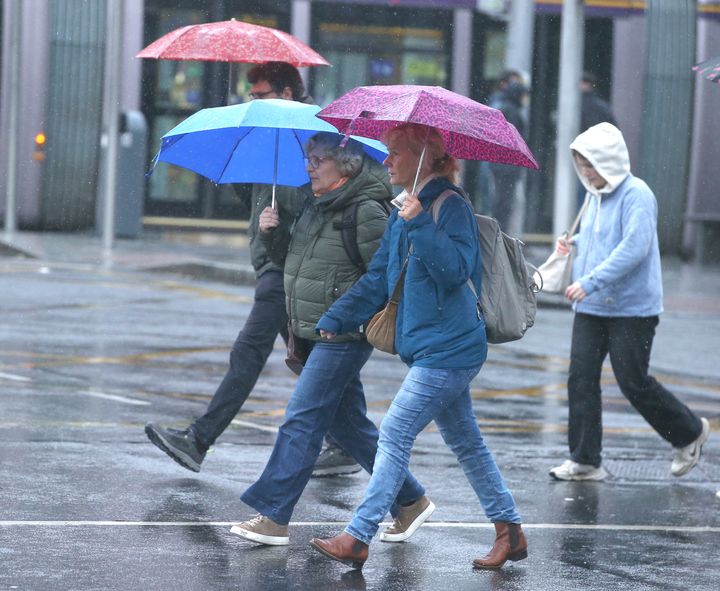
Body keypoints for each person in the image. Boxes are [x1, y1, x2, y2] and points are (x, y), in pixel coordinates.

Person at [309, 123, 526, 571]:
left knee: (394, 432)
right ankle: (511, 532)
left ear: (423, 156)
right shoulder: (402, 209)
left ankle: (358, 535)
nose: (385, 161)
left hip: (453, 348)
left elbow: (454, 270)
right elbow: (378, 278)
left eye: (393, 153)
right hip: (429, 347)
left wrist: (420, 223)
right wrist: (336, 318)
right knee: (467, 442)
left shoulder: (450, 206)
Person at [144, 62, 360, 477]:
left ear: (285, 93)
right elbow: (258, 200)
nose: (253, 101)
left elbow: (319, 211)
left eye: (260, 94)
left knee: (250, 351)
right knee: (315, 359)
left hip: (290, 267)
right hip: (275, 263)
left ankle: (198, 439)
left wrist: (281, 229)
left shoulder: (313, 138)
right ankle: (346, 444)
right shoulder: (268, 137)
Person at [230, 132, 434, 546]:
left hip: (344, 333)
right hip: (314, 329)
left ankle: (273, 514)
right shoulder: (314, 205)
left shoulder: (365, 212)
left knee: (301, 419)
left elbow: (383, 275)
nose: (309, 166)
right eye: (309, 157)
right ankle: (410, 500)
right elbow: (297, 262)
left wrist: (344, 312)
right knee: (351, 427)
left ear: (346, 165)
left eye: (318, 159)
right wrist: (271, 233)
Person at [549, 122, 710, 482]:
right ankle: (585, 460)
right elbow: (600, 240)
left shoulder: (638, 194)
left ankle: (689, 432)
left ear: (610, 162)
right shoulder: (593, 195)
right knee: (581, 378)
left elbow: (633, 249)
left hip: (631, 308)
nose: (586, 172)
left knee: (632, 382)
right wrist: (572, 247)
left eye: (591, 164)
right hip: (591, 306)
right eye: (581, 164)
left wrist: (589, 281)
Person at [488, 79, 529, 230]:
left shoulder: (505, 109)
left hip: (501, 165)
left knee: (501, 201)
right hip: (507, 166)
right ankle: (500, 233)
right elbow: (512, 140)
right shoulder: (512, 112)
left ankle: (498, 232)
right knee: (504, 202)